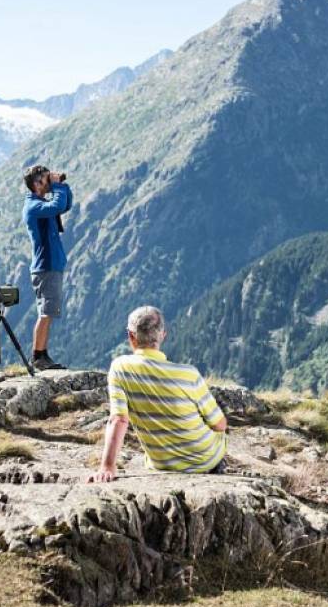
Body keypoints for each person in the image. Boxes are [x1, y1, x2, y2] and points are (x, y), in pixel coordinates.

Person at [88, 306, 228, 483]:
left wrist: (107, 467)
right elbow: (220, 426)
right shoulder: (190, 374)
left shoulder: (120, 368)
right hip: (205, 460)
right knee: (219, 421)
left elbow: (119, 420)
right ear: (163, 335)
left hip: (162, 464)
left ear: (131, 336)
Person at [22, 164, 73, 371]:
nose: (49, 181)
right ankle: (38, 356)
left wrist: (62, 186)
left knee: (49, 312)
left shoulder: (41, 203)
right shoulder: (34, 206)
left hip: (51, 264)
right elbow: (57, 207)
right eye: (45, 178)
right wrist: (58, 187)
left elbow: (65, 205)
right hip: (45, 266)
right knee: (46, 312)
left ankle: (42, 354)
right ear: (37, 184)